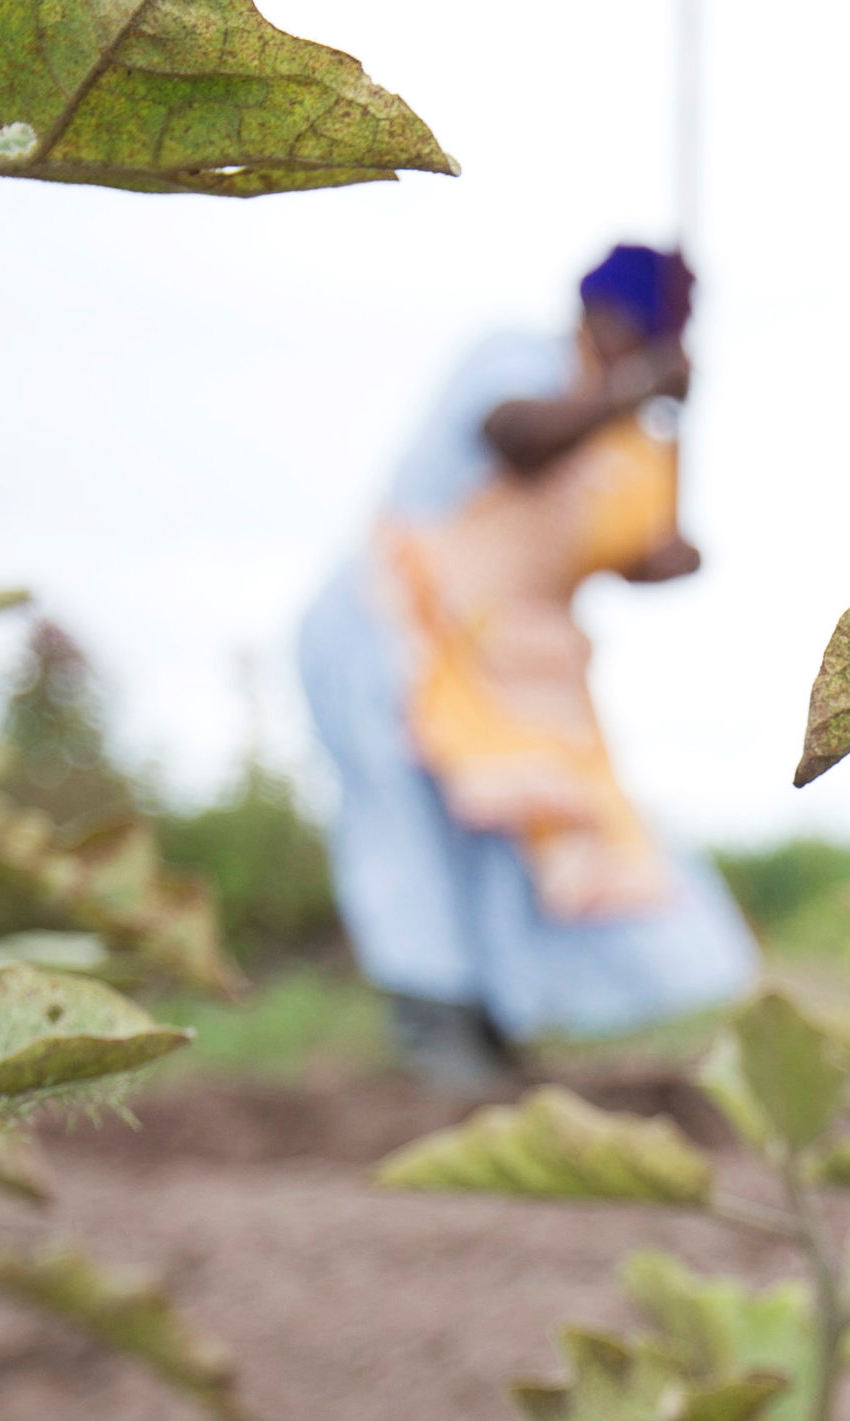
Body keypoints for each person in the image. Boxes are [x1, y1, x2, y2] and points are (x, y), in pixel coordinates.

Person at [298, 244, 759, 1089]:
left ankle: (495, 1022)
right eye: (623, 334)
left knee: (513, 840)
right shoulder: (522, 361)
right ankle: (433, 1026)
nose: (624, 351)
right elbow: (513, 440)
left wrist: (675, 553)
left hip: (504, 673)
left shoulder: (625, 438)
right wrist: (637, 393)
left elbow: (634, 555)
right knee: (410, 832)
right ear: (592, 317)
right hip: (396, 629)